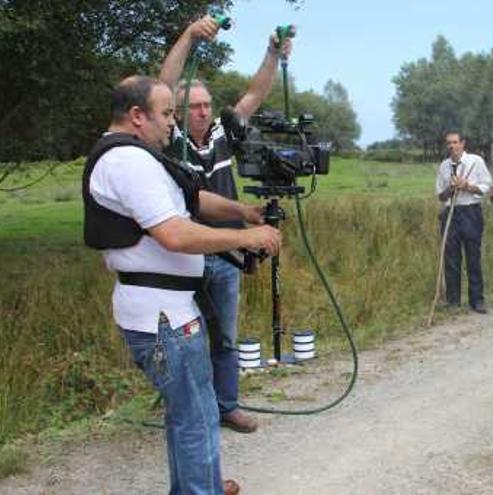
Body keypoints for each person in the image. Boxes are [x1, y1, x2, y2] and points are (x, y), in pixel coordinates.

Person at [83, 76, 282, 494]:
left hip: (166, 311)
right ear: (138, 116)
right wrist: (248, 238)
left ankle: (200, 484)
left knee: (192, 412)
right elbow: (175, 233)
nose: (172, 124)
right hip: (163, 317)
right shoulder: (128, 162)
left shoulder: (142, 157)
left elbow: (191, 197)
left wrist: (242, 211)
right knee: (195, 416)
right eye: (167, 114)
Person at [159, 16, 292, 433]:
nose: (201, 111)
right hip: (185, 252)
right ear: (179, 111)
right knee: (188, 339)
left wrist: (272, 53)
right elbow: (163, 84)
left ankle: (226, 405)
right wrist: (188, 35)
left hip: (227, 253)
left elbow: (255, 93)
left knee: (227, 338)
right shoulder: (171, 136)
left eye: (205, 105)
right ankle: (192, 408)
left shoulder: (220, 132)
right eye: (193, 105)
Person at [436, 131, 493, 313]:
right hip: (451, 213)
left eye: (455, 142)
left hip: (470, 212)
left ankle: (477, 300)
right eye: (449, 143)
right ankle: (453, 300)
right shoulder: (444, 166)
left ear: (463, 143)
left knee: (473, 257)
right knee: (451, 258)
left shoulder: (475, 161)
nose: (452, 146)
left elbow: (486, 186)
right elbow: (440, 195)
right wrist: (450, 189)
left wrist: (467, 186)